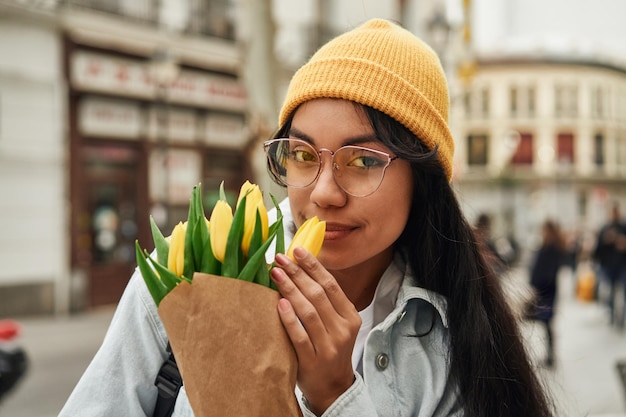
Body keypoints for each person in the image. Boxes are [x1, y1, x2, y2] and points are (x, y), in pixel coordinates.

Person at [59, 19, 555, 416]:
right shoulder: (184, 276)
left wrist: (337, 394)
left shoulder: (459, 340)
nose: (323, 193)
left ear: (424, 181)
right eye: (301, 155)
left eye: (363, 161)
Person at [528, 220, 565, 368]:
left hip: (547, 293)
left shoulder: (553, 249)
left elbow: (549, 273)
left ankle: (550, 356)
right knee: (546, 323)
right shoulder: (547, 247)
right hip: (544, 292)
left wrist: (538, 283)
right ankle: (549, 355)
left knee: (547, 323)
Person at [592, 203, 626, 327]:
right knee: (610, 292)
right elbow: (597, 250)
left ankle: (621, 317)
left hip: (622, 265)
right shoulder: (605, 228)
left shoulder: (623, 227)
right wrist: (606, 241)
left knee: (623, 291)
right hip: (609, 265)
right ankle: (612, 315)